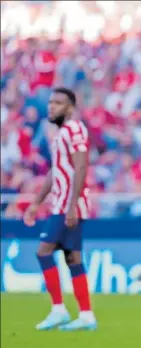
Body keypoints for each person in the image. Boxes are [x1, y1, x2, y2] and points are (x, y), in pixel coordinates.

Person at [23, 87, 96, 331]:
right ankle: (86, 315)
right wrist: (36, 202)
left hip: (68, 205)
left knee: (44, 252)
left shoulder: (74, 129)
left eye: (58, 103)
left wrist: (73, 206)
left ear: (70, 108)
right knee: (72, 258)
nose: (51, 106)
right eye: (51, 102)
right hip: (61, 203)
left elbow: (81, 168)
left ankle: (59, 310)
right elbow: (56, 171)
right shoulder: (61, 133)